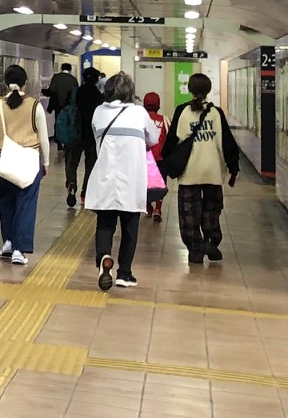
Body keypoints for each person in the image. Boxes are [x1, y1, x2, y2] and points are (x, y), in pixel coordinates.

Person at [87, 71, 160, 291]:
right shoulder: (139, 113)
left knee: (105, 224)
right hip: (132, 179)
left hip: (105, 178)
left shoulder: (98, 112)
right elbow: (154, 139)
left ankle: (103, 257)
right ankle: (124, 273)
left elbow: (95, 135)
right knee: (130, 227)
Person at [167, 72, 241, 265]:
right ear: (208, 90)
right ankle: (210, 241)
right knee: (211, 209)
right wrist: (233, 168)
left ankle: (195, 249)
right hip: (213, 170)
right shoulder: (216, 113)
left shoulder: (182, 111)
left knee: (188, 211)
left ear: (190, 89)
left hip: (189, 170)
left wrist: (166, 163)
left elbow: (172, 141)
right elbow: (227, 143)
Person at [0, 64, 50, 266]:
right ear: (25, 83)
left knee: (6, 201)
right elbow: (44, 138)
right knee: (26, 204)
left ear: (5, 82)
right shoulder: (35, 106)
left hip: (5, 160)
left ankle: (8, 242)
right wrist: (46, 162)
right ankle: (19, 250)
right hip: (30, 159)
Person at [142, 90, 169, 222]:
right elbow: (169, 138)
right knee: (160, 184)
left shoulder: (140, 119)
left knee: (144, 183)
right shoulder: (164, 119)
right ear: (158, 105)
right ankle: (158, 208)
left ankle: (148, 206)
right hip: (160, 158)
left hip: (143, 158)